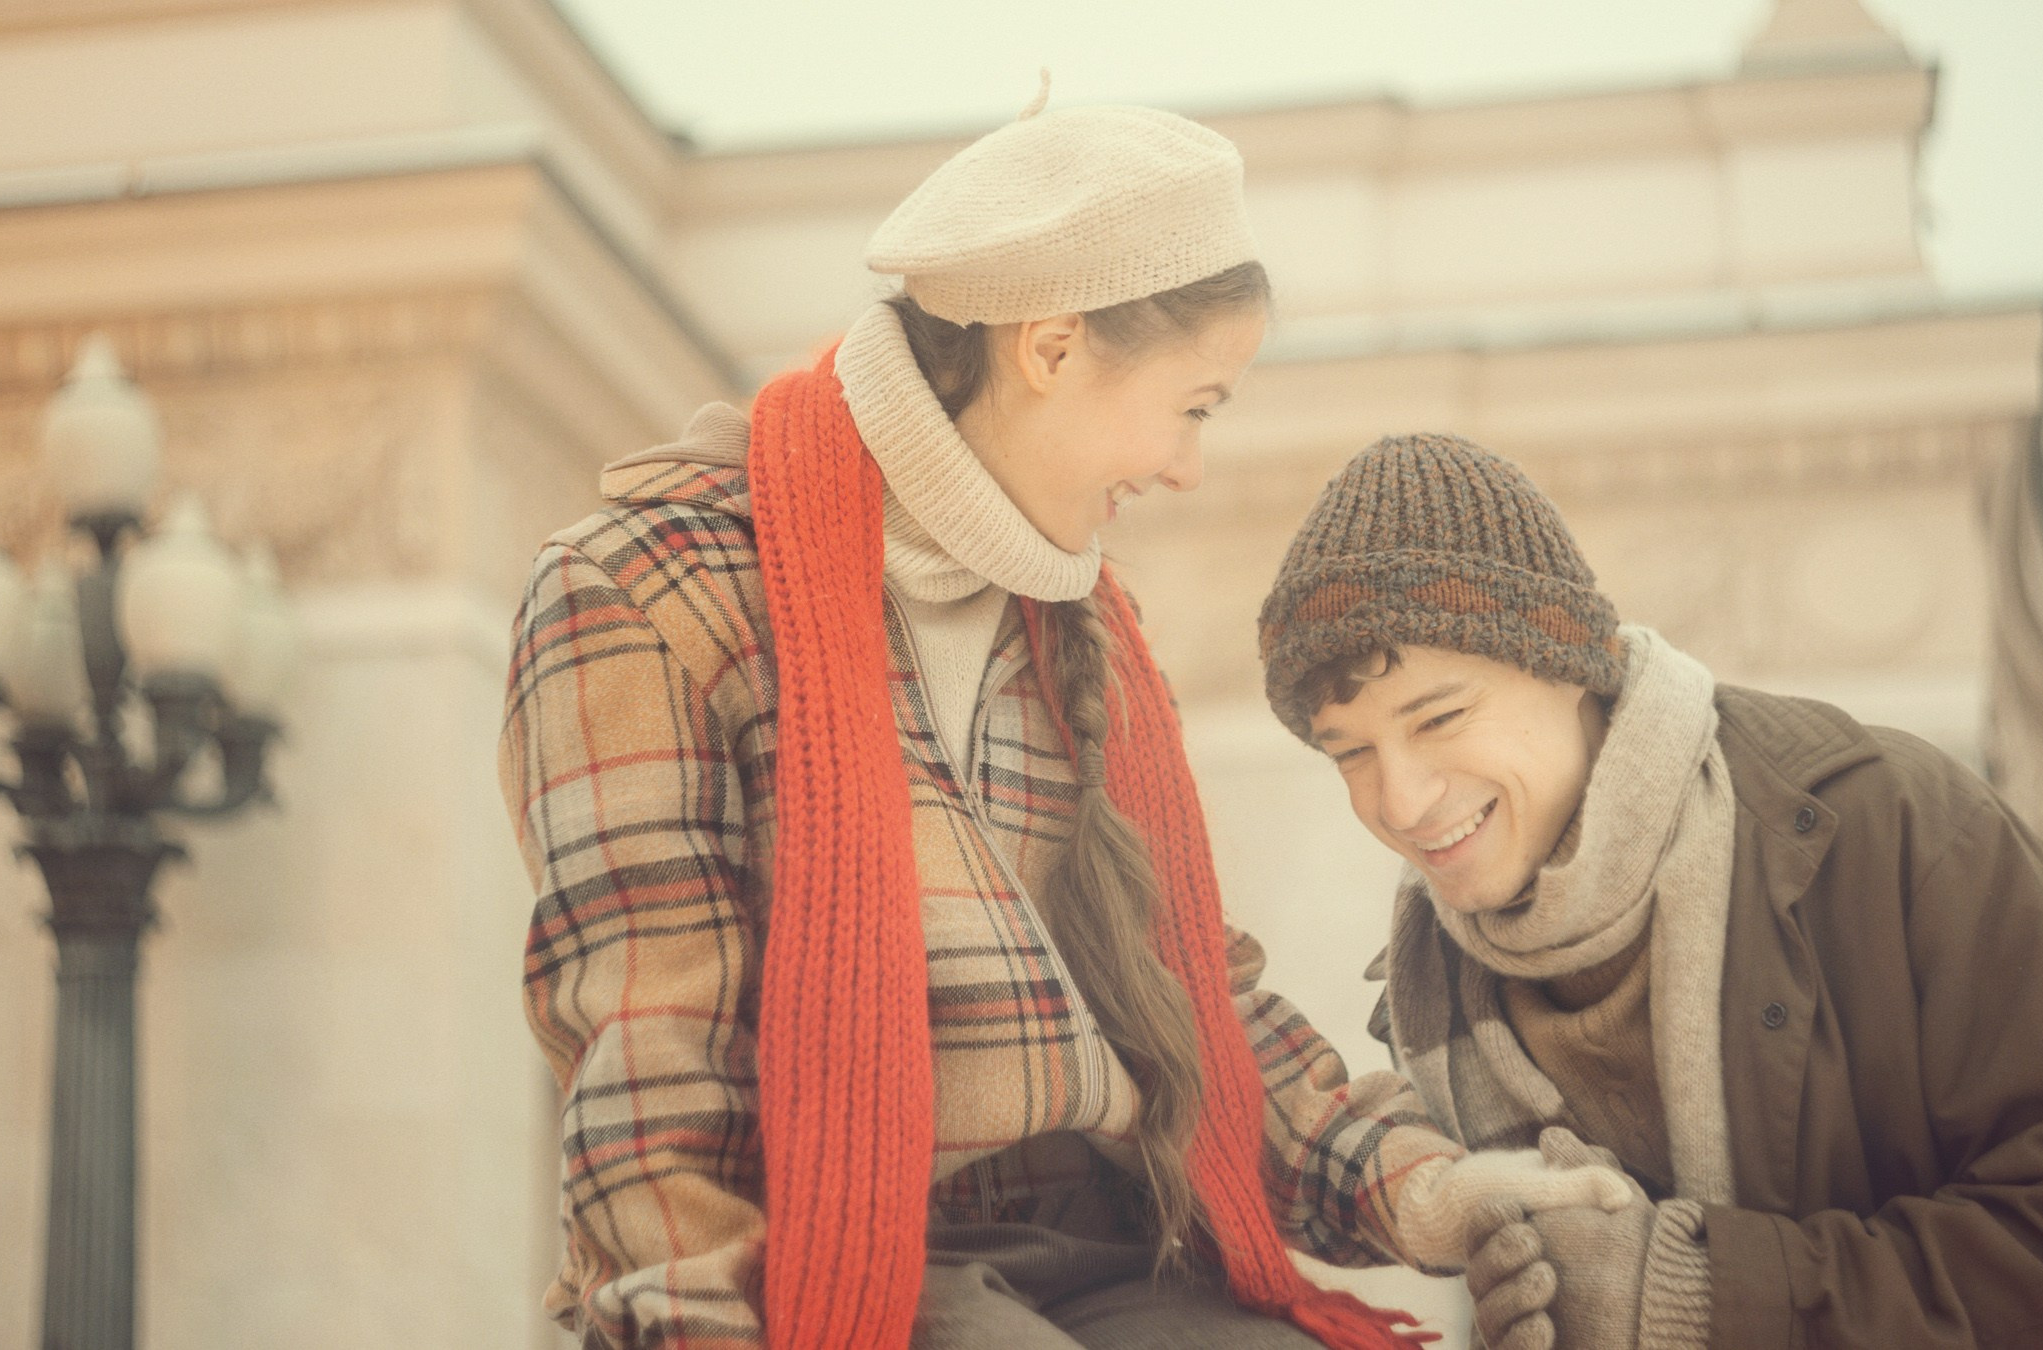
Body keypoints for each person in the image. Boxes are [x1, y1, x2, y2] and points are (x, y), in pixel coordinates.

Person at [499, 106, 1619, 1350]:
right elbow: (655, 1080)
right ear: (1052, 347)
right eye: (1195, 404)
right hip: (853, 1261)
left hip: (1118, 1244)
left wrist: (1426, 1188)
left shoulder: (1081, 632)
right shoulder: (650, 593)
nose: (1191, 465)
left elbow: (1194, 1003)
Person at [1254, 432, 2043, 1350]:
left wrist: (1697, 1296)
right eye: (1349, 754)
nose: (1398, 799)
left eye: (1438, 718)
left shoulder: (1900, 830)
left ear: (1565, 664)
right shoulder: (1432, 980)